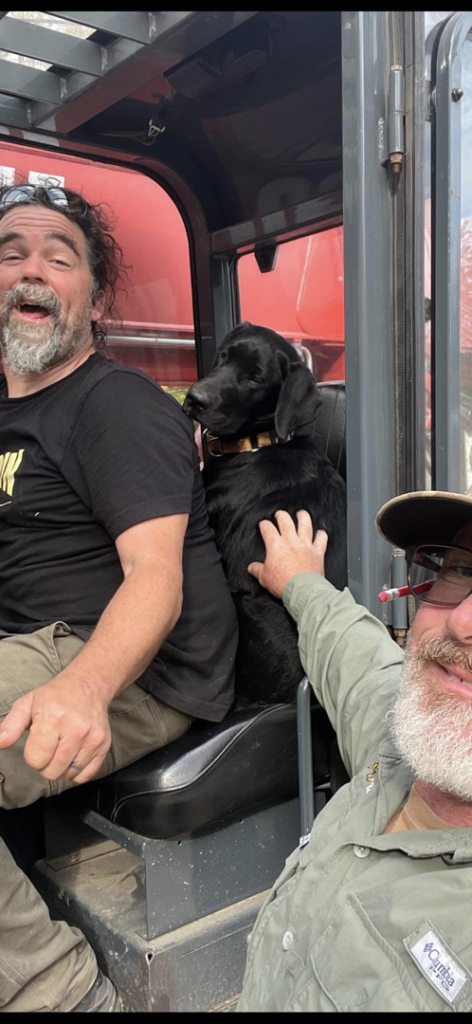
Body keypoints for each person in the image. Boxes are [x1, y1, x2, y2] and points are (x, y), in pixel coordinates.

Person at [0, 182, 238, 1013]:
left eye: (57, 259)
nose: (31, 272)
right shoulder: (9, 416)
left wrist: (81, 689)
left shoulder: (115, 406)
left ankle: (60, 996)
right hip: (31, 641)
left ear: (95, 299)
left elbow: (156, 579)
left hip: (137, 666)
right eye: (11, 254)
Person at [237, 497, 472, 1013]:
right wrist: (302, 581)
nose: (461, 621)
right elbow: (358, 656)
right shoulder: (400, 739)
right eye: (462, 569)